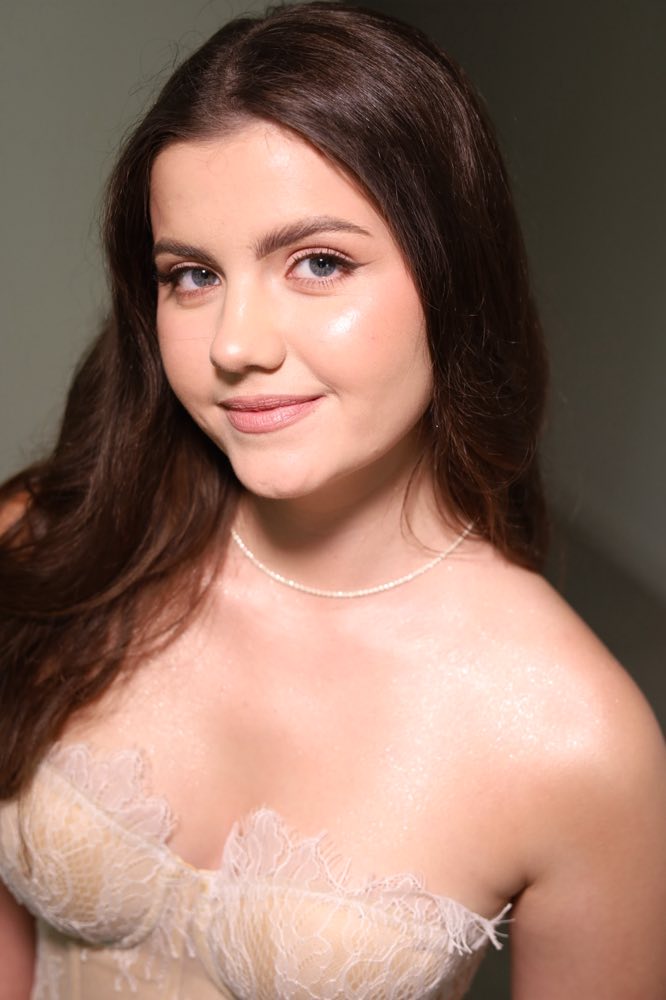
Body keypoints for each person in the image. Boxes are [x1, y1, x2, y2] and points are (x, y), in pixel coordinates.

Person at [0, 2, 664, 998]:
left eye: (318, 263)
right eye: (192, 275)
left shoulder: (577, 741)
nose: (236, 344)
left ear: (453, 275)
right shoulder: (54, 548)